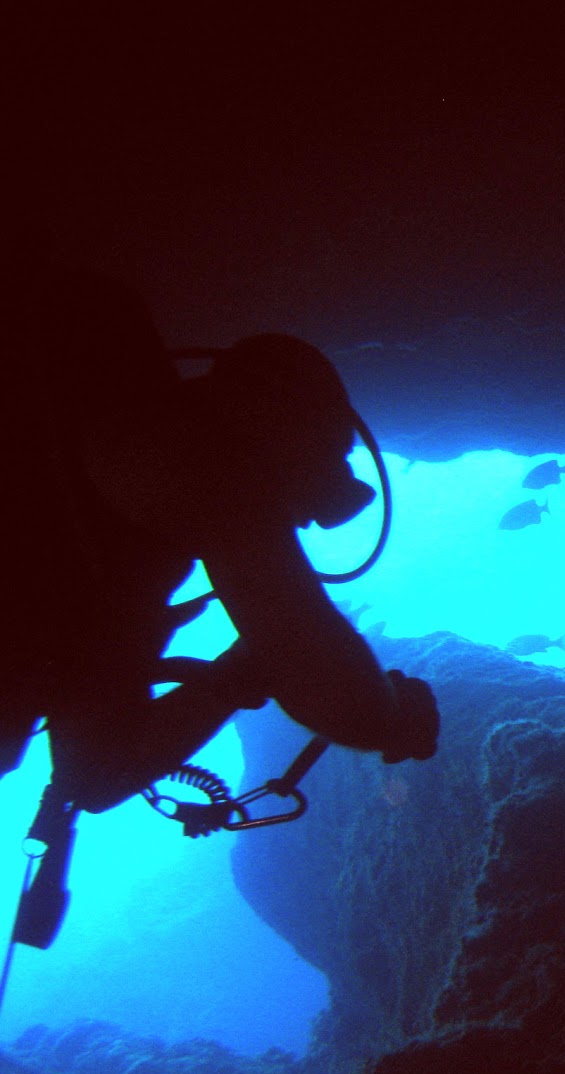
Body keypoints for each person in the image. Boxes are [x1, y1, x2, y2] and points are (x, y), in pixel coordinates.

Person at [0, 258, 439, 828]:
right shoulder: (196, 463)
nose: (316, 516)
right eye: (327, 456)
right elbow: (336, 694)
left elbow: (97, 775)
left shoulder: (139, 540)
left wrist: (241, 672)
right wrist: (392, 717)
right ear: (271, 421)